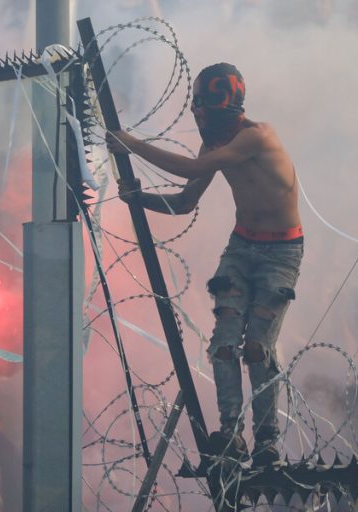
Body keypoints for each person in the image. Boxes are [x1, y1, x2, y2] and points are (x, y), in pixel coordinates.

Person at [106, 62, 303, 467]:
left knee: (257, 347)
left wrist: (132, 145)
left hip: (280, 254)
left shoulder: (256, 138)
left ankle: (266, 440)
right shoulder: (215, 146)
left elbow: (194, 171)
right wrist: (137, 198)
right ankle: (230, 433)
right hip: (241, 246)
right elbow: (184, 202)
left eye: (201, 107)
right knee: (225, 344)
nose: (196, 115)